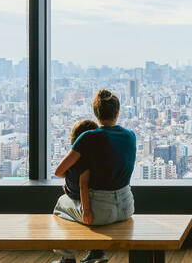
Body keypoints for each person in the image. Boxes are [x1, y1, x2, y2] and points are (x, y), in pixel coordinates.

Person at [53, 90, 136, 263]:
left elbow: (59, 171)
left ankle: (67, 257)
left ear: (96, 114)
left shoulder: (88, 137)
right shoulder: (131, 136)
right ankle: (96, 253)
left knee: (61, 205)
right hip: (127, 207)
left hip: (100, 211)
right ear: (117, 113)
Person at [60, 119, 98, 218]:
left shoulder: (75, 157)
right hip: (89, 195)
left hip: (75, 193)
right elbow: (84, 185)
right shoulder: (92, 157)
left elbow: (58, 172)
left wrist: (70, 176)